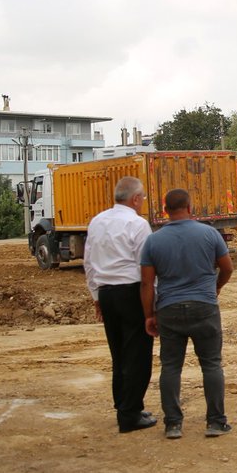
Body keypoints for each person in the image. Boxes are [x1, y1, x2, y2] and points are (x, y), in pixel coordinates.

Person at [140, 188, 234, 439]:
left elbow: (147, 283)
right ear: (190, 207)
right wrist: (215, 288)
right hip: (204, 307)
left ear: (164, 209)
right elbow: (227, 268)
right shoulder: (209, 234)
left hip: (169, 309)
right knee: (211, 364)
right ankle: (215, 421)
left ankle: (173, 424)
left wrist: (149, 315)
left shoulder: (153, 240)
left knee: (170, 366)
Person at [84, 176, 157, 434]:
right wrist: (151, 305)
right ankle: (130, 415)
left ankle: (125, 406)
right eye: (143, 198)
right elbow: (146, 268)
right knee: (137, 355)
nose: (143, 202)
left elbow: (89, 262)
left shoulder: (97, 221)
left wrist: (96, 296)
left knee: (119, 355)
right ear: (135, 199)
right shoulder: (137, 224)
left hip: (106, 293)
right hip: (130, 293)